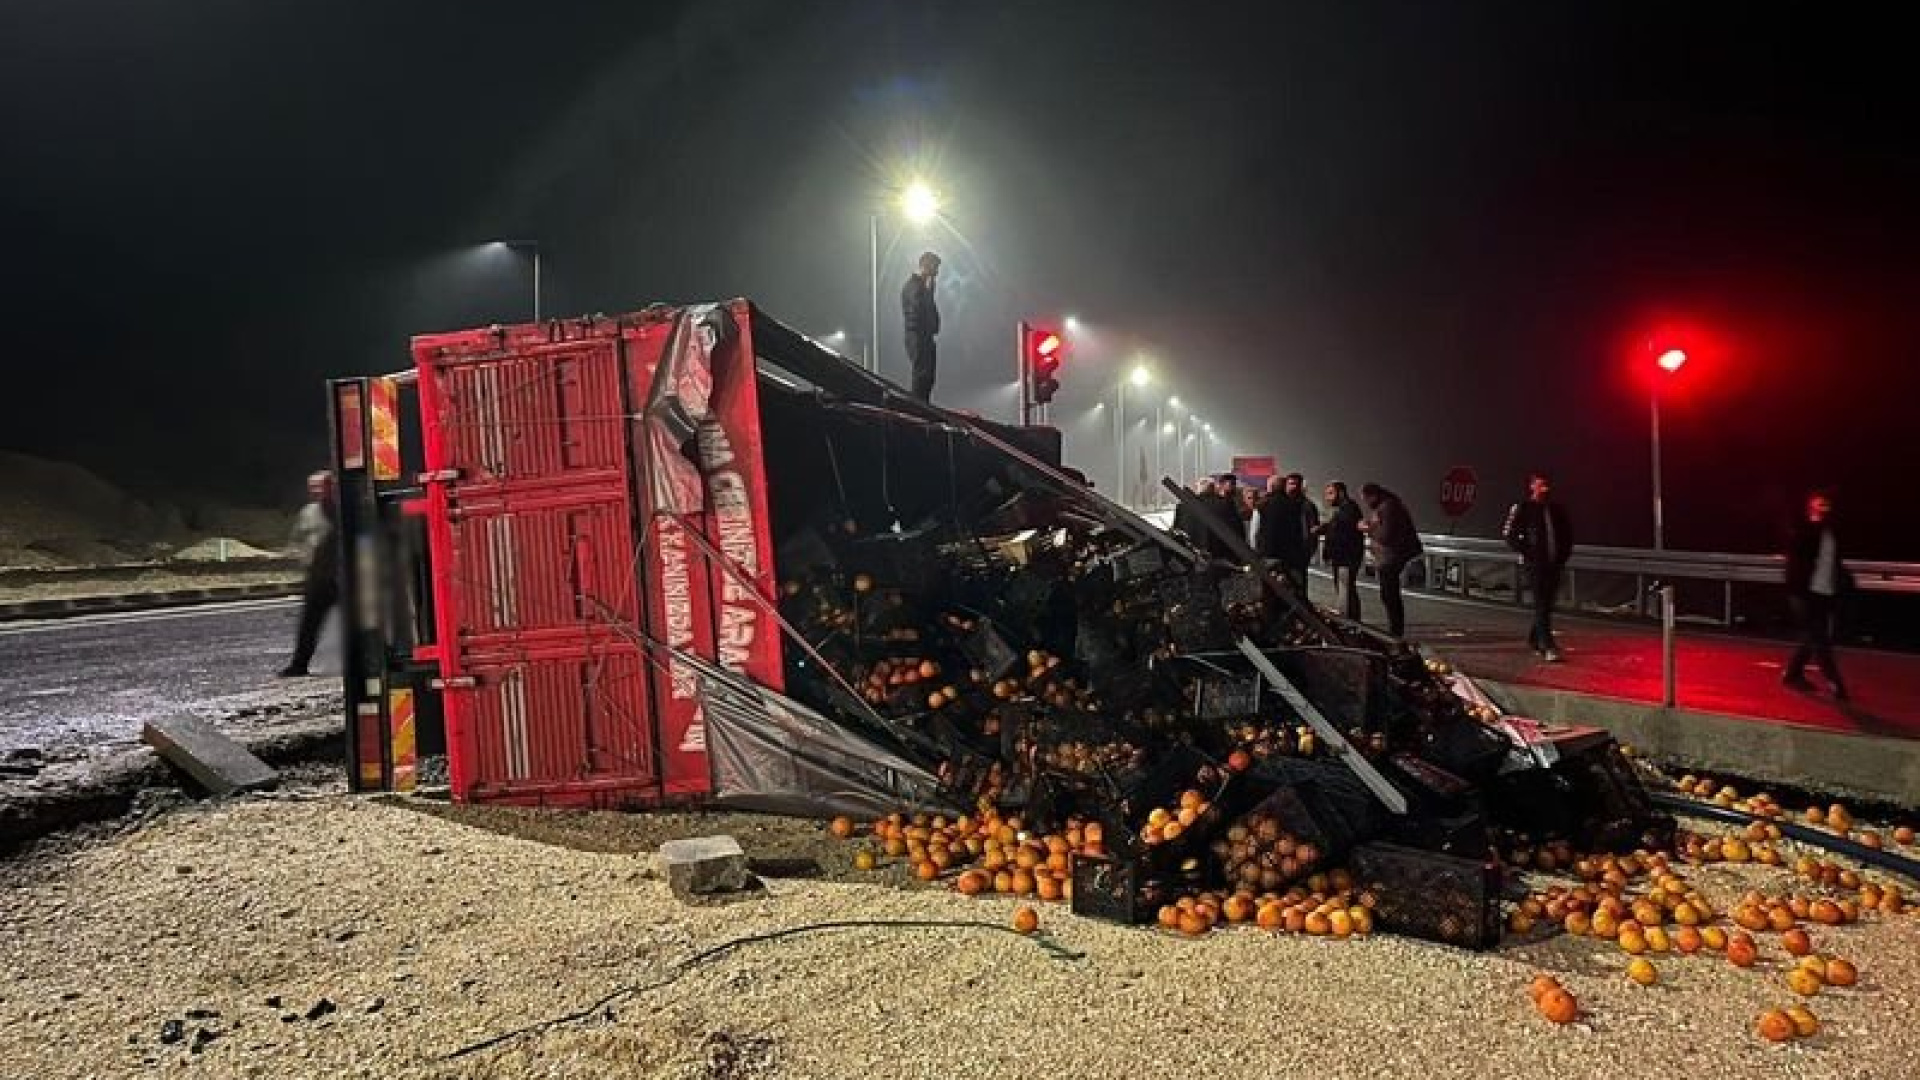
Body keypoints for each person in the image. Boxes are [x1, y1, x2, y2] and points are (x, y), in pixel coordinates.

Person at [1782, 490, 1850, 700]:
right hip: (1804, 593)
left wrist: (1841, 587)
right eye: (1819, 504)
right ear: (1810, 507)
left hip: (1824, 593)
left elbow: (1834, 565)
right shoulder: (1803, 531)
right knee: (1819, 639)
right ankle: (1836, 684)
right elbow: (1794, 563)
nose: (1823, 508)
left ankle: (1792, 674)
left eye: (1826, 505)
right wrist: (1796, 590)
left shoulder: (1832, 533)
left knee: (1812, 637)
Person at [1502, 471, 1575, 662]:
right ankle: (1547, 645)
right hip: (1535, 564)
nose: (1544, 489)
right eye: (1540, 485)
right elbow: (1509, 534)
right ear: (1532, 486)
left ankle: (1535, 638)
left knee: (1547, 604)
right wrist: (1527, 551)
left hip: (1554, 563)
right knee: (1541, 602)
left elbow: (1567, 535)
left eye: (1546, 485)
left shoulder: (1557, 510)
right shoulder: (1523, 508)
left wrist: (1563, 556)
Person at [280, 470, 339, 677]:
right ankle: (299, 664)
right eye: (312, 487)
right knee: (308, 624)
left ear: (332, 487)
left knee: (361, 622)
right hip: (319, 577)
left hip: (345, 577)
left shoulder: (345, 511)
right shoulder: (308, 512)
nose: (315, 492)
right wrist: (297, 555)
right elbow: (297, 539)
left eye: (320, 487)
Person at [1360, 482, 1422, 638]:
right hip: (1389, 556)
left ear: (1372, 496)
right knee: (1388, 594)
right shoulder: (1387, 505)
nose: (1365, 503)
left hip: (1392, 556)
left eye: (1366, 499)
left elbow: (1385, 536)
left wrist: (1368, 529)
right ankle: (1394, 629)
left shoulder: (1388, 507)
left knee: (1390, 595)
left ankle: (1395, 631)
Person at [1255, 473, 1320, 595]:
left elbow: (1307, 530)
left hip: (1291, 555)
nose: (1293, 487)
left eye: (1296, 484)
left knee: (1292, 589)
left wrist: (1307, 551)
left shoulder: (1305, 506)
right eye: (1291, 484)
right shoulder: (1294, 505)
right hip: (1286, 555)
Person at [1318, 481, 1365, 620]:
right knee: (1345, 589)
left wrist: (1329, 550)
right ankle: (1351, 620)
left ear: (1341, 493)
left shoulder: (1348, 510)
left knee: (1346, 591)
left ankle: (1350, 622)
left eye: (1331, 493)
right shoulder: (1344, 509)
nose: (1327, 498)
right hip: (1343, 557)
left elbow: (1340, 533)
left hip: (1346, 557)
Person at [900, 251, 942, 401]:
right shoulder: (914, 286)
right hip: (918, 336)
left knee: (927, 377)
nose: (936, 273)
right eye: (934, 268)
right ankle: (919, 407)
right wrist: (929, 293)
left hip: (925, 337)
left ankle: (923, 405)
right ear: (925, 266)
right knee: (922, 375)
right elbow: (917, 312)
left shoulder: (921, 287)